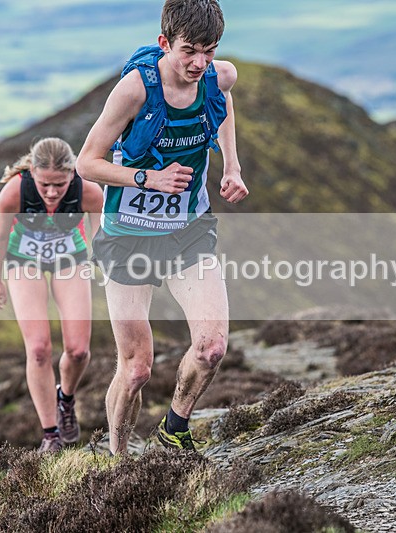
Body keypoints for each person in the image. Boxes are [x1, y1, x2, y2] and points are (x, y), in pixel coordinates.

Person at [76, 0, 248, 454]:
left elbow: (224, 101)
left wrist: (231, 165)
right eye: (189, 50)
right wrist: (147, 178)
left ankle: (174, 429)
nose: (199, 63)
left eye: (208, 51)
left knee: (211, 347)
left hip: (187, 230)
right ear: (164, 43)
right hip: (127, 234)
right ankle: (118, 459)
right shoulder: (135, 90)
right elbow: (86, 163)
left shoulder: (218, 74)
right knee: (135, 369)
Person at [0, 137, 103, 453]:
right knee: (38, 348)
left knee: (78, 350)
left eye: (60, 184)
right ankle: (50, 434)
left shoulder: (88, 190)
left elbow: (101, 238)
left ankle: (65, 397)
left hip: (70, 259)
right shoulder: (14, 191)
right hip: (24, 261)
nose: (52, 192)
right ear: (32, 173)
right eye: (44, 185)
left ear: (71, 175)